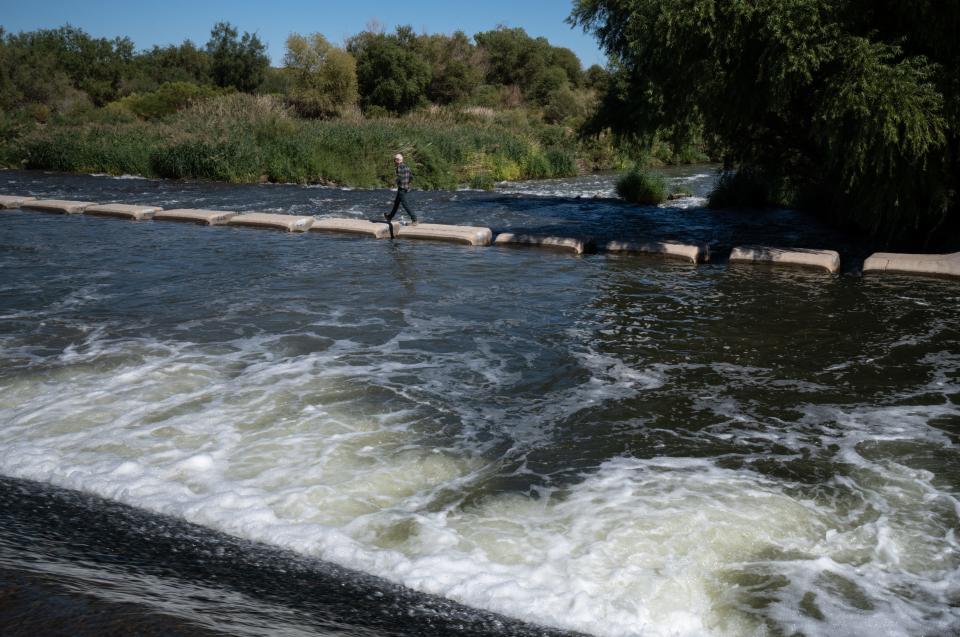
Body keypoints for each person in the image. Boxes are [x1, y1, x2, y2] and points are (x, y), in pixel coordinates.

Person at [384, 153, 418, 225]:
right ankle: (389, 217)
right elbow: (411, 177)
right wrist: (407, 184)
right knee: (396, 203)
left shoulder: (399, 167)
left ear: (397, 160)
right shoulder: (407, 167)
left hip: (401, 189)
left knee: (405, 204)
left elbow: (399, 177)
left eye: (394, 160)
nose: (394, 162)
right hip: (405, 188)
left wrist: (393, 183)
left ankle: (414, 219)